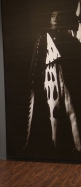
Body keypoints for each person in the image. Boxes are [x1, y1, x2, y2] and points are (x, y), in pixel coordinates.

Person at [26, 10, 81, 153]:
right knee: (52, 110)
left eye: (59, 15)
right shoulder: (43, 36)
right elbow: (37, 58)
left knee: (71, 109)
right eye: (53, 15)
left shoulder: (69, 37)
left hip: (66, 76)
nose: (56, 18)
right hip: (49, 75)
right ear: (50, 19)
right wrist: (34, 78)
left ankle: (77, 145)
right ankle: (54, 145)